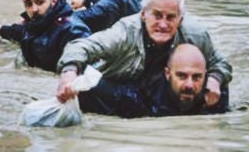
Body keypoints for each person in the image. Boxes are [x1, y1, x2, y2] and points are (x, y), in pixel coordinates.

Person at [56, 0, 232, 108]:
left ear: (180, 19)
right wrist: (68, 74)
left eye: (170, 17)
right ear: (143, 15)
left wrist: (215, 81)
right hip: (125, 88)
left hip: (165, 90)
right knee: (87, 89)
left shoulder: (195, 35)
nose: (163, 24)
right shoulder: (124, 33)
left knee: (220, 89)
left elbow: (220, 63)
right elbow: (80, 46)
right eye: (157, 15)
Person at [77, 43, 230, 118]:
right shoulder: (143, 96)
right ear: (168, 74)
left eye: (197, 77)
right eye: (182, 76)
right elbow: (94, 87)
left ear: (205, 75)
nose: (189, 84)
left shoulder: (215, 93)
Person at [0, 0, 90, 73]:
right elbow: (22, 32)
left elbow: (86, 54)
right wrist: (0, 29)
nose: (34, 9)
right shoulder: (36, 24)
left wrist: (70, 73)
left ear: (54, 1)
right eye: (28, 4)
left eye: (40, 1)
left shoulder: (71, 29)